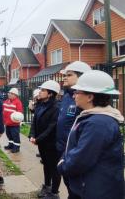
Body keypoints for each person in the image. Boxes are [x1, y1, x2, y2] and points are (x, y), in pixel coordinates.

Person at [57, 70, 124, 199]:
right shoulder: (92, 118)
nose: (74, 95)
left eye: (77, 92)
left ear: (90, 97)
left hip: (96, 190)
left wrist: (62, 165)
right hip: (87, 186)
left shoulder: (98, 123)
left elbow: (81, 158)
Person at [56, 61, 91, 199]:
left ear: (81, 77)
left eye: (69, 75)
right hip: (63, 150)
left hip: (75, 153)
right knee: (70, 187)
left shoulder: (84, 99)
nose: (64, 77)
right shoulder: (66, 97)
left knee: (78, 190)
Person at [29, 80, 61, 199]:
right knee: (46, 165)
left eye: (43, 90)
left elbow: (51, 127)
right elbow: (34, 121)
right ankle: (47, 186)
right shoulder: (40, 104)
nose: (40, 92)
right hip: (41, 142)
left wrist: (38, 139)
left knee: (54, 167)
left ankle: (54, 192)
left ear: (51, 93)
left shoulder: (56, 107)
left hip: (51, 143)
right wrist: (32, 135)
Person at [3, 88, 23, 153]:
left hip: (14, 124)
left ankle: (16, 147)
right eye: (9, 93)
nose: (9, 94)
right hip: (7, 123)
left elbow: (20, 112)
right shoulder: (6, 101)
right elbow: (3, 108)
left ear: (15, 95)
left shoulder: (18, 102)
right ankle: (11, 145)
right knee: (9, 134)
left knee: (15, 135)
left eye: (11, 93)